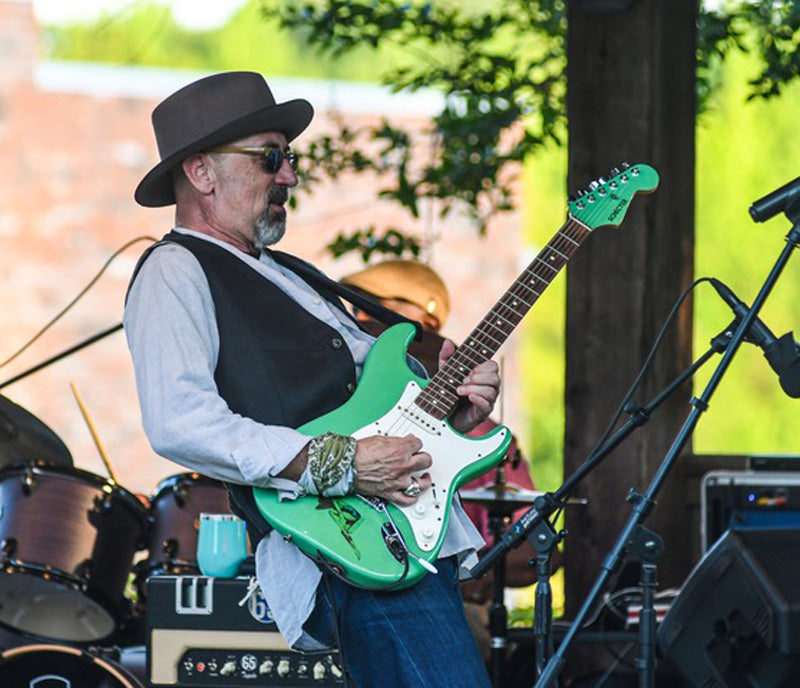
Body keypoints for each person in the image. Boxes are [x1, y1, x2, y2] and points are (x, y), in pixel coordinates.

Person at [123, 71, 501, 688]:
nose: (290, 176)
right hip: (345, 544)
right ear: (201, 172)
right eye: (271, 158)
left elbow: (375, 403)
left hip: (392, 534)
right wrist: (341, 464)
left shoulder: (290, 275)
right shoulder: (175, 271)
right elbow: (180, 420)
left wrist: (448, 418)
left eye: (289, 157)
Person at [339, 259, 545, 660]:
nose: (356, 321)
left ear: (418, 318)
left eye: (367, 309)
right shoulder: (358, 405)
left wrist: (470, 578)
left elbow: (531, 552)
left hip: (444, 592)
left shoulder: (487, 437)